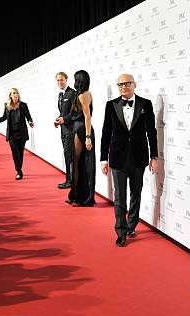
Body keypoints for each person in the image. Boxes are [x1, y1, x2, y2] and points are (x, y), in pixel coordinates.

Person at [100, 73, 158, 247]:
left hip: (139, 157)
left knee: (136, 193)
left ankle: (132, 225)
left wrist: (153, 156)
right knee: (119, 196)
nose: (123, 87)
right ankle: (121, 230)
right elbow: (105, 133)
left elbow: (152, 132)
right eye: (120, 85)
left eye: (126, 84)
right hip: (117, 158)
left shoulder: (145, 104)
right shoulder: (111, 105)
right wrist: (104, 159)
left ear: (135, 85)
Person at [59, 70, 95, 207]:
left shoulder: (83, 96)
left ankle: (78, 196)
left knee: (78, 164)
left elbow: (87, 116)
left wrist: (87, 136)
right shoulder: (82, 94)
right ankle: (78, 195)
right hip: (78, 128)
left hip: (81, 129)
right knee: (80, 164)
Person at [0, 88, 34, 180]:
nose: (15, 95)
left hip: (22, 133)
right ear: (10, 95)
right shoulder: (7, 106)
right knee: (15, 152)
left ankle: (19, 168)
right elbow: (4, 117)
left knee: (20, 153)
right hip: (12, 134)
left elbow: (28, 116)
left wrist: (30, 121)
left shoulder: (23, 105)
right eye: (13, 93)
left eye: (16, 93)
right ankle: (19, 171)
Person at [53, 72, 76, 189]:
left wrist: (64, 119)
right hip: (63, 130)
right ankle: (69, 180)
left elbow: (75, 113)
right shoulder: (60, 95)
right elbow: (63, 113)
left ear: (66, 79)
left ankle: (70, 181)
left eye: (61, 80)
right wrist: (58, 120)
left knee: (69, 156)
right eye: (57, 80)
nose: (59, 82)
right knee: (67, 156)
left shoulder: (72, 93)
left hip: (71, 131)